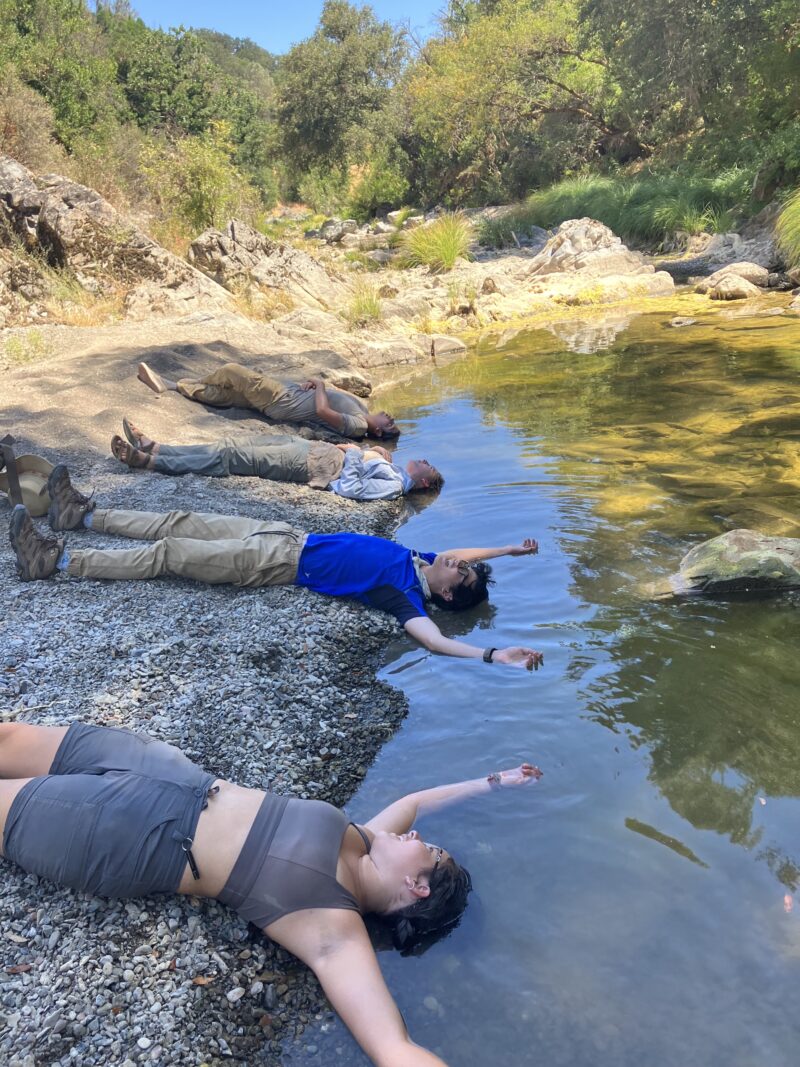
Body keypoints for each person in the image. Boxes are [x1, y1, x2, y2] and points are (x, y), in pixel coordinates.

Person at [0, 718, 543, 1066]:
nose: (419, 837)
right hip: (167, 771)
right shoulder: (367, 839)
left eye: (431, 851)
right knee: (8, 737)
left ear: (417, 888)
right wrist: (497, 781)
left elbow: (393, 1048)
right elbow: (419, 801)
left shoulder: (333, 925)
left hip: (130, 831)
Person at [9, 467, 545, 669]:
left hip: (274, 562)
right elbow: (465, 555)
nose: (455, 561)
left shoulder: (402, 593)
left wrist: (493, 653)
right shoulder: (423, 560)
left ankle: (58, 561)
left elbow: (434, 643)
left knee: (171, 553)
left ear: (448, 596)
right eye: (460, 563)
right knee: (183, 518)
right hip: (287, 536)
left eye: (461, 574)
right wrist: (508, 552)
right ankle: (85, 514)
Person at [109, 419, 443, 501]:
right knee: (230, 444)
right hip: (311, 449)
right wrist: (372, 453)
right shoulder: (393, 467)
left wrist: (356, 452)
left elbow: (352, 488)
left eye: (428, 465)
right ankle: (156, 447)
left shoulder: (397, 485)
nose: (424, 459)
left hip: (315, 466)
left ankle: (150, 462)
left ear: (424, 482)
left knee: (229, 457)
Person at [137, 362, 399, 440]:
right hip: (285, 398)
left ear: (377, 430)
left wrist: (319, 384)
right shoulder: (363, 410)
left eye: (389, 425)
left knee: (232, 372)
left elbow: (322, 409)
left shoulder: (358, 426)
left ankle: (190, 377)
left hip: (282, 399)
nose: (391, 418)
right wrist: (317, 387)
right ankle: (171, 386)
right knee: (227, 397)